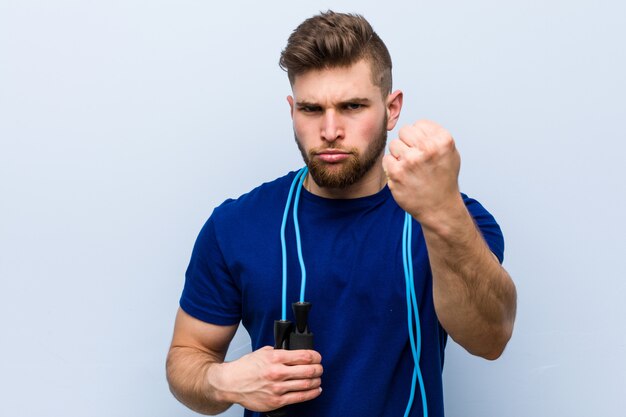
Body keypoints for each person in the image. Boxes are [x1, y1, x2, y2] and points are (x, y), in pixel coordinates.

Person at [166, 10, 517, 417]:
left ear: (393, 108)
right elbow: (186, 357)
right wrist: (222, 381)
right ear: (292, 109)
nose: (330, 129)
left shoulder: (456, 220)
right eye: (312, 109)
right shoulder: (235, 227)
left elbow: (490, 338)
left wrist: (443, 213)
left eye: (352, 106)